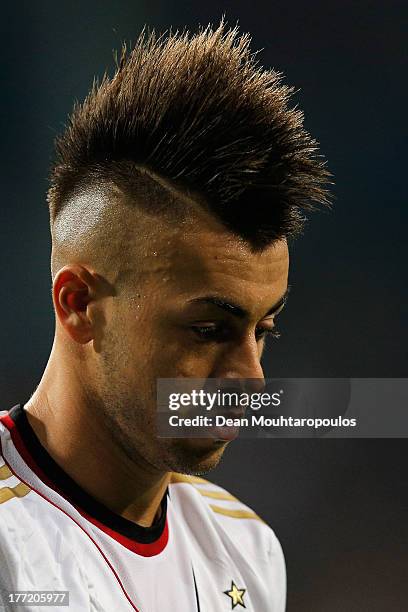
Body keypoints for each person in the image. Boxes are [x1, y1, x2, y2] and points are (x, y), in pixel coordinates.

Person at [0, 19, 330, 611]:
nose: (251, 380)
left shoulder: (247, 551)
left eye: (264, 330)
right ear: (79, 306)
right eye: (209, 329)